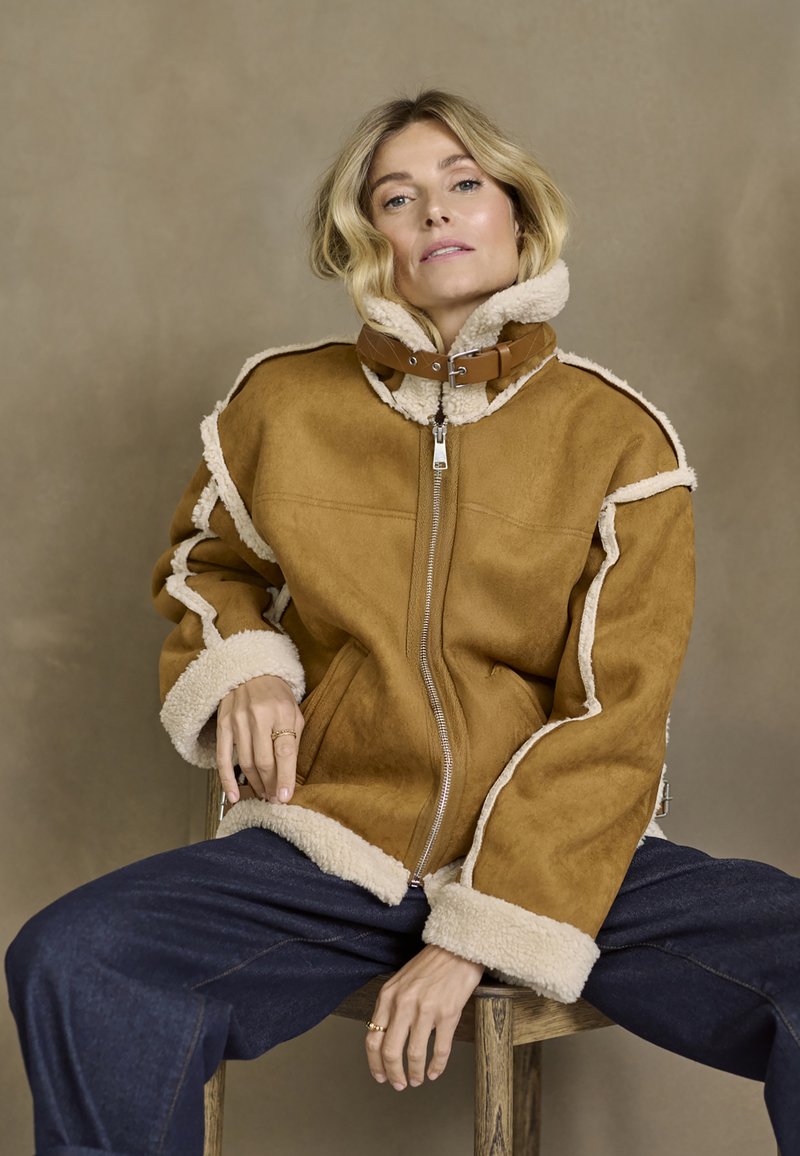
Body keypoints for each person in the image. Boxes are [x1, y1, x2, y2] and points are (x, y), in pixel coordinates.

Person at [5, 87, 799, 1156]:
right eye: (397, 196)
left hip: (564, 858)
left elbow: (616, 715)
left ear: (516, 212)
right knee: (77, 957)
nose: (435, 210)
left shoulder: (620, 439)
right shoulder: (280, 404)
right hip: (335, 848)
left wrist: (475, 934)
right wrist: (246, 663)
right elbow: (205, 564)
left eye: (463, 182)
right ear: (365, 235)